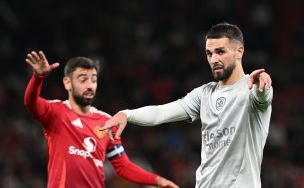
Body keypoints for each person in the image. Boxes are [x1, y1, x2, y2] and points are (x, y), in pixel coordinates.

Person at [101, 22, 273, 188]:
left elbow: (263, 97)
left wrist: (260, 86)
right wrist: (127, 114)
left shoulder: (253, 88)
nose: (214, 59)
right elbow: (162, 112)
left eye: (220, 52)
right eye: (209, 53)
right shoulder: (203, 94)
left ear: (239, 51)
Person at [24, 51, 179, 188]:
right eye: (83, 79)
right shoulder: (55, 111)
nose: (90, 85)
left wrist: (158, 180)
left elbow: (123, 166)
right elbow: (30, 103)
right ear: (67, 83)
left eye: (93, 80)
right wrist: (38, 77)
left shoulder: (107, 122)